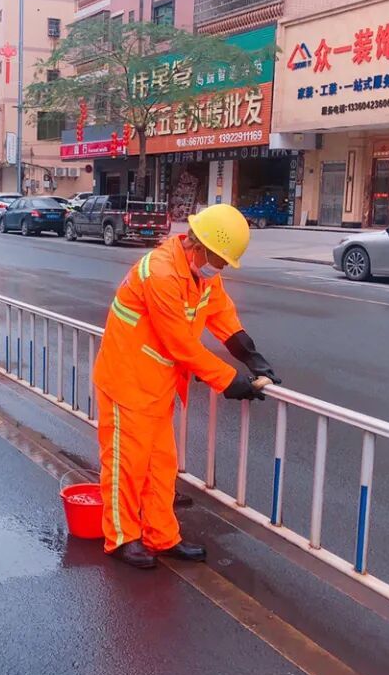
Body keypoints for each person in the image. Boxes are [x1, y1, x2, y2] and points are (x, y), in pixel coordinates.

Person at [93, 203, 279, 569]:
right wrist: (230, 380)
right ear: (200, 246)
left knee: (161, 466)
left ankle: (161, 535)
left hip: (157, 384)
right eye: (219, 260)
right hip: (127, 382)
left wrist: (251, 356)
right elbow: (180, 344)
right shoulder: (161, 273)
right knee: (126, 465)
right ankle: (121, 538)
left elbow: (221, 314)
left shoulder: (201, 272)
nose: (220, 268)